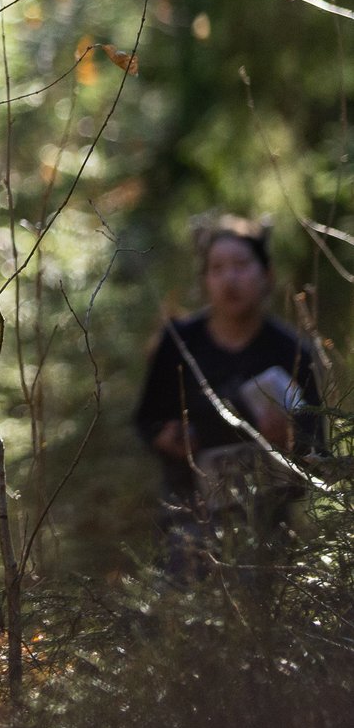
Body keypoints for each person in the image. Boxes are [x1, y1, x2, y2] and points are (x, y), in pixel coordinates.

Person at [132, 216, 319, 579]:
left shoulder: (292, 351)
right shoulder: (179, 344)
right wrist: (169, 437)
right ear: (205, 281)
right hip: (188, 515)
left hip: (266, 522)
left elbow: (316, 454)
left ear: (266, 275)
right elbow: (146, 420)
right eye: (217, 268)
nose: (229, 279)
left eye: (241, 265)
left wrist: (288, 441)